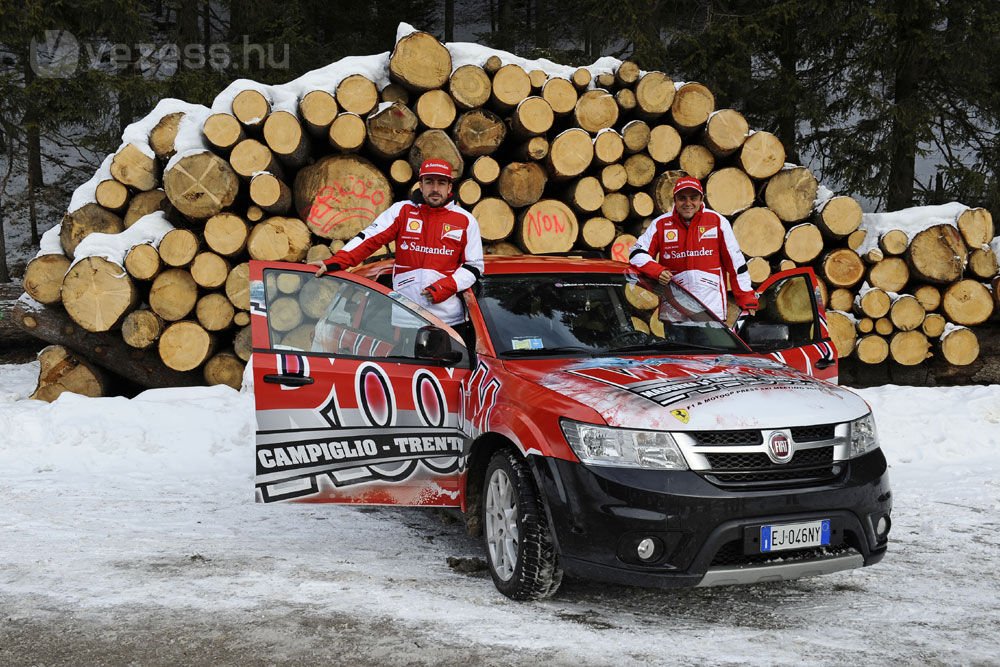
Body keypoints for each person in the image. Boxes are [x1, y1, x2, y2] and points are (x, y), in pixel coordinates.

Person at [310, 159, 484, 332]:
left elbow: (474, 266)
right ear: (421, 185)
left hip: (448, 320)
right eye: (429, 182)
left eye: (441, 182)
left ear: (450, 188)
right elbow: (370, 238)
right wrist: (335, 262)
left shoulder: (465, 220)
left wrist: (444, 287)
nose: (436, 189)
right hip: (406, 318)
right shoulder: (402, 211)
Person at [628, 175, 757, 322]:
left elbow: (736, 264)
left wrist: (746, 297)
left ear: (701, 200)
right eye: (682, 198)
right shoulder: (661, 224)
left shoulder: (717, 221)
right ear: (675, 200)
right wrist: (657, 271)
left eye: (693, 198)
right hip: (675, 312)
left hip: (711, 313)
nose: (688, 203)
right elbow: (636, 253)